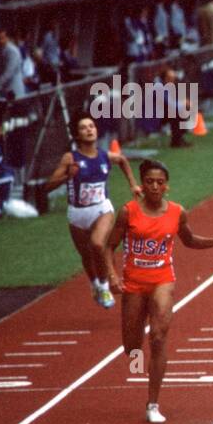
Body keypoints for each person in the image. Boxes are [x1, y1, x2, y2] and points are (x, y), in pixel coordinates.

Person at [105, 160, 213, 423]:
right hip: (133, 283)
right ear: (143, 184)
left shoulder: (177, 212)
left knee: (158, 336)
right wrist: (111, 276)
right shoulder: (128, 212)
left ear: (167, 186)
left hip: (163, 279)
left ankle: (152, 403)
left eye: (160, 182)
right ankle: (137, 357)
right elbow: (109, 247)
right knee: (132, 348)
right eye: (150, 181)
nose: (155, 186)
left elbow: (189, 240)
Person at [43, 115, 141, 308]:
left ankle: (104, 286)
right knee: (87, 256)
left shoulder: (105, 156)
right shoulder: (70, 158)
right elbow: (47, 186)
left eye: (92, 126)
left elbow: (122, 160)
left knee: (97, 244)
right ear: (76, 134)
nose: (89, 130)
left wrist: (133, 185)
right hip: (78, 214)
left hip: (102, 208)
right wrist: (67, 176)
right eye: (83, 127)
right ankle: (95, 285)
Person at [0, 28, 26, 101]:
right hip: (4, 90)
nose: (0, 41)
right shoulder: (0, 50)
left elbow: (9, 72)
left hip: (14, 89)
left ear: (7, 38)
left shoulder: (12, 51)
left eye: (2, 38)